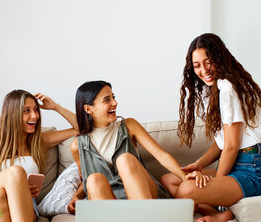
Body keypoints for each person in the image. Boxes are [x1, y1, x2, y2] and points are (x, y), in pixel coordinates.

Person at [176, 33, 261, 222]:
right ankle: (220, 215)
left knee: (186, 189)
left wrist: (215, 186)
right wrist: (198, 165)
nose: (203, 70)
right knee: (172, 179)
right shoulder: (218, 89)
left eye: (208, 62)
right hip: (238, 167)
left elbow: (231, 147)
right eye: (197, 65)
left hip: (254, 171)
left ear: (219, 58)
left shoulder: (229, 88)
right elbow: (223, 141)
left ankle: (217, 210)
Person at [0, 90, 78, 222]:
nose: (35, 116)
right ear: (12, 114)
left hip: (25, 206)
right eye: (27, 111)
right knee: (14, 174)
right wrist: (15, 186)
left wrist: (55, 106)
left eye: (35, 109)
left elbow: (80, 128)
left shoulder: (39, 142)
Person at [67, 81, 187, 213]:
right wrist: (76, 196)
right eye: (107, 100)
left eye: (113, 97)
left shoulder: (129, 125)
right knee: (93, 180)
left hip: (145, 195)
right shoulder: (78, 146)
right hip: (111, 202)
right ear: (88, 109)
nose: (115, 103)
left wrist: (185, 177)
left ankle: (146, 220)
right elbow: (85, 178)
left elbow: (161, 155)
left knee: (124, 159)